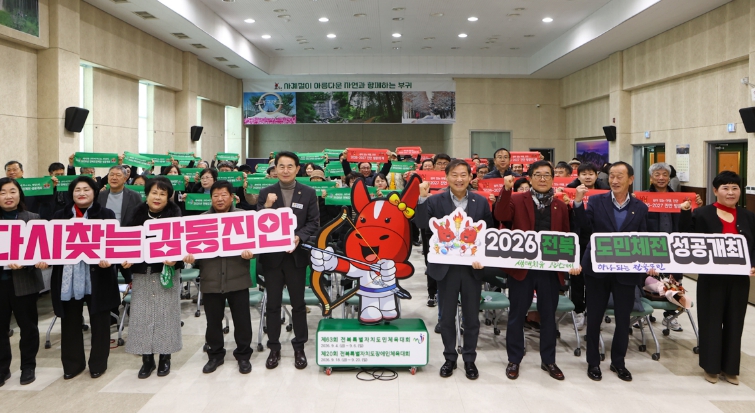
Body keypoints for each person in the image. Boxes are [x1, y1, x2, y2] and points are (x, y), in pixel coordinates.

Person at [494, 160, 576, 381]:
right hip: (523, 268)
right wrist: (506, 190)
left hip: (549, 270)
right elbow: (501, 215)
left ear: (553, 179)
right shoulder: (516, 199)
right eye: (538, 175)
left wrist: (569, 263)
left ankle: (549, 360)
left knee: (548, 317)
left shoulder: (560, 205)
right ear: (529, 178)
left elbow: (566, 236)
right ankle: (514, 359)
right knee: (516, 315)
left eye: (547, 175)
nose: (542, 179)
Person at [415, 159, 492, 380]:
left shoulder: (481, 202)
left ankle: (469, 359)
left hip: (471, 269)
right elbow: (421, 224)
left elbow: (488, 233)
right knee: (447, 318)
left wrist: (482, 258)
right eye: (454, 175)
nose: (459, 179)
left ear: (470, 177)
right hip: (445, 268)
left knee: (471, 319)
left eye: (463, 175)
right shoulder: (435, 200)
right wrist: (422, 198)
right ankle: (449, 358)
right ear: (446, 177)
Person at [572, 161, 649, 382]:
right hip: (597, 268)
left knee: (623, 319)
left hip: (626, 271)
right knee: (594, 317)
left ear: (631, 179)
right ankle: (593, 362)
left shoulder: (640, 207)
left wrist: (649, 263)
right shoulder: (597, 201)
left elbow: (643, 238)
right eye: (611, 176)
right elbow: (584, 226)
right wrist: (578, 203)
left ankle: (618, 362)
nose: (614, 180)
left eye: (619, 176)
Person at [679, 171, 755, 385]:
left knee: (735, 322)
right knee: (710, 322)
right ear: (715, 191)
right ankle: (710, 367)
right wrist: (684, 212)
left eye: (735, 188)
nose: (730, 192)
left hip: (739, 280)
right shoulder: (702, 214)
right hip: (711, 278)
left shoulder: (748, 216)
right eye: (725, 188)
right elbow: (685, 237)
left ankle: (730, 369)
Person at [51, 176, 120, 380]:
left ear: (95, 192)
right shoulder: (59, 216)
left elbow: (114, 244)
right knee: (70, 322)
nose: (81, 193)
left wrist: (110, 260)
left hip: (98, 276)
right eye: (77, 190)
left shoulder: (106, 214)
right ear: (71, 193)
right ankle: (73, 364)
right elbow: (51, 245)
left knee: (100, 323)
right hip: (68, 277)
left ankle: (98, 363)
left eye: (86, 189)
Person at [183, 180, 255, 375]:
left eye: (224, 195)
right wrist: (191, 257)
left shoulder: (244, 217)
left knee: (242, 321)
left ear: (232, 197)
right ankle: (215, 355)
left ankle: (243, 355)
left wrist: (251, 253)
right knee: (213, 322)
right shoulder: (201, 220)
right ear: (211, 198)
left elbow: (256, 244)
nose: (220, 199)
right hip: (211, 279)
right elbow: (192, 248)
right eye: (215, 195)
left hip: (237, 278)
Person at [257, 151, 319, 370]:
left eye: (289, 166)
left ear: (297, 169)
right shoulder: (265, 192)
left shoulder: (308, 192)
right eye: (281, 166)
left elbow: (314, 222)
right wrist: (266, 207)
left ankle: (299, 346)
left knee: (298, 304)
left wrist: (299, 236)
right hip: (272, 258)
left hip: (296, 257)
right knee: (273, 305)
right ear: (275, 169)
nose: (285, 170)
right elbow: (256, 224)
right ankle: (274, 348)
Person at [121, 177, 185, 379]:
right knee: (142, 316)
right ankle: (146, 360)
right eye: (154, 193)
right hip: (142, 273)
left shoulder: (175, 215)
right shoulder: (136, 214)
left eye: (162, 194)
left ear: (169, 197)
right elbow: (125, 243)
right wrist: (125, 261)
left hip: (166, 272)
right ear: (147, 195)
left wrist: (176, 259)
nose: (157, 197)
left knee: (166, 315)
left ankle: (165, 357)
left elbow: (182, 243)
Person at [645, 162, 703, 332]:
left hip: (674, 246)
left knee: (674, 280)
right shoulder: (644, 197)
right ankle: (644, 314)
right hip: (651, 245)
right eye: (657, 174)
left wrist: (695, 206)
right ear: (651, 178)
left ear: (669, 178)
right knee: (646, 279)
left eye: (664, 174)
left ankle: (670, 316)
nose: (661, 178)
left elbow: (688, 223)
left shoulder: (680, 198)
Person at [0, 178, 47, 387]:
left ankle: (28, 366)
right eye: (2, 192)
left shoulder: (33, 219)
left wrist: (37, 261)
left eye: (12, 191)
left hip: (25, 281)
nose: (8, 196)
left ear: (20, 194)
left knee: (28, 327)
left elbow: (42, 250)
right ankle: (2, 369)